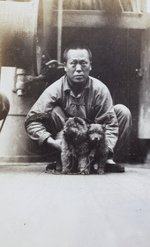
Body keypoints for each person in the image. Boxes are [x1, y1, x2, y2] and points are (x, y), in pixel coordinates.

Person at [25, 43, 132, 173]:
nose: (79, 69)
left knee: (122, 112)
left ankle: (107, 160)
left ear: (90, 65)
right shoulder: (54, 89)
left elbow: (110, 124)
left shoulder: (100, 89)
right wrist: (51, 141)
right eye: (73, 63)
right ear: (65, 67)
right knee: (53, 111)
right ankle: (65, 159)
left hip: (95, 142)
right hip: (69, 143)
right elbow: (32, 120)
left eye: (83, 63)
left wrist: (104, 150)